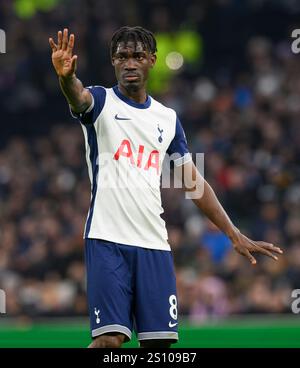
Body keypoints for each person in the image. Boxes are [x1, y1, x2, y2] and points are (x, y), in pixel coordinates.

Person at [49, 26, 283, 348]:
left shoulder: (168, 118)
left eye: (137, 56)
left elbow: (193, 182)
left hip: (155, 245)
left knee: (159, 346)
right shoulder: (101, 102)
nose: (129, 63)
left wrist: (233, 232)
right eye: (122, 57)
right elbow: (78, 96)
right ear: (113, 62)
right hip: (108, 239)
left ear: (152, 61)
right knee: (110, 340)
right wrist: (65, 79)